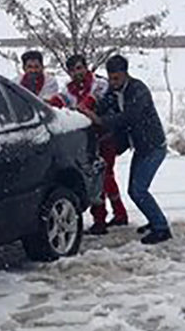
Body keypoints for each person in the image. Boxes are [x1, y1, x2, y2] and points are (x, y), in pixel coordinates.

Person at [78, 55, 171, 245]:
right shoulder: (115, 91)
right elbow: (104, 105)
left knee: (138, 190)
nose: (112, 82)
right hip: (141, 147)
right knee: (135, 189)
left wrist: (100, 120)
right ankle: (154, 221)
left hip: (153, 147)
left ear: (125, 74)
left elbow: (129, 117)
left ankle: (161, 228)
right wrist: (86, 110)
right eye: (110, 78)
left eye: (116, 78)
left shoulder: (138, 90)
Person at [62, 54, 129, 235]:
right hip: (86, 140)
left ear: (86, 68)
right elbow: (61, 101)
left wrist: (83, 108)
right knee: (96, 177)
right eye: (73, 70)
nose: (77, 73)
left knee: (104, 176)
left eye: (80, 68)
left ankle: (108, 217)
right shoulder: (68, 90)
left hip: (106, 137)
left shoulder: (99, 84)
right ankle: (109, 215)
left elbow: (92, 101)